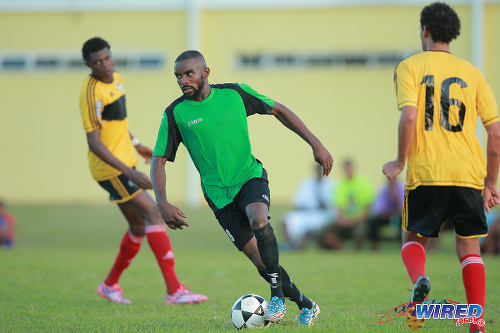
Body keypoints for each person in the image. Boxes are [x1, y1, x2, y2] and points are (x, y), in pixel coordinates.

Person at [150, 50, 333, 327]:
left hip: (249, 177)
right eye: (178, 76)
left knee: (259, 219)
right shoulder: (176, 114)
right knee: (261, 263)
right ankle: (306, 304)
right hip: (218, 196)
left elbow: (279, 110)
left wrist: (316, 144)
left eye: (189, 74)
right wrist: (161, 202)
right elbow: (158, 160)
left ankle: (277, 299)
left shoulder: (235, 93)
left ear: (205, 73)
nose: (183, 80)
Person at [382, 3, 500, 332]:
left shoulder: (410, 67)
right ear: (454, 34)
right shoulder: (473, 73)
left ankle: (420, 280)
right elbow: (496, 132)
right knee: (469, 247)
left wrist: (399, 161)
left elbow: (408, 115)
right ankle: (476, 323)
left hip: (427, 172)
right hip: (467, 174)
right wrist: (491, 182)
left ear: (425, 31)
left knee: (413, 240)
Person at [79, 37, 207, 305]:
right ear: (89, 65)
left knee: (138, 226)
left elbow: (117, 123)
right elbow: (94, 142)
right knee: (152, 213)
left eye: (107, 58)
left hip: (126, 161)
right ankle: (174, 290)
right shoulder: (91, 93)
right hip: (110, 168)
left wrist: (137, 145)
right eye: (97, 62)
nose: (104, 64)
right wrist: (131, 173)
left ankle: (109, 285)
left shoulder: (116, 78)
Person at [318, 159, 374, 250]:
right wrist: (343, 220)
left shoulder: (363, 183)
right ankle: (340, 248)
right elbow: (339, 209)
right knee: (325, 231)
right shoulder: (340, 185)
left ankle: (358, 251)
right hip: (345, 220)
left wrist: (353, 220)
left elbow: (367, 210)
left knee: (360, 230)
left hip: (359, 220)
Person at [281, 164, 335, 251]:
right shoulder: (306, 183)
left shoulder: (330, 184)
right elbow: (297, 203)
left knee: (312, 226)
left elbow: (331, 205)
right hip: (305, 213)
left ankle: (300, 248)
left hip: (321, 214)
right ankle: (290, 245)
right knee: (285, 221)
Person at [367, 178, 404, 251]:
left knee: (405, 224)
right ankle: (375, 247)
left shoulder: (402, 190)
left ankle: (403, 247)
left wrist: (395, 199)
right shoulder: (383, 191)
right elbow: (380, 211)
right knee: (374, 222)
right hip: (386, 217)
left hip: (399, 217)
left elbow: (403, 210)